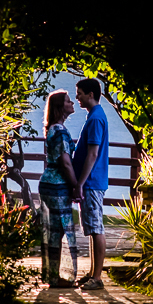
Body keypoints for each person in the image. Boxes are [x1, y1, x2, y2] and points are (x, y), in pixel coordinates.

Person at [37, 89, 81, 288]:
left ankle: (52, 274)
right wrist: (76, 185)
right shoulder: (60, 131)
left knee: (53, 229)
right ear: (59, 107)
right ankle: (55, 276)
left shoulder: (53, 129)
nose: (72, 103)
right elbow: (65, 162)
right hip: (57, 185)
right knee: (59, 229)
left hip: (49, 182)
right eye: (68, 101)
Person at [72, 77, 109, 290]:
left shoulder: (95, 119)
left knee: (96, 228)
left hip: (92, 182)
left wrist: (80, 183)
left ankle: (97, 277)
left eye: (80, 93)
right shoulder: (95, 116)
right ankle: (93, 273)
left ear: (91, 94)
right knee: (92, 227)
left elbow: (93, 154)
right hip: (92, 181)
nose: (77, 97)